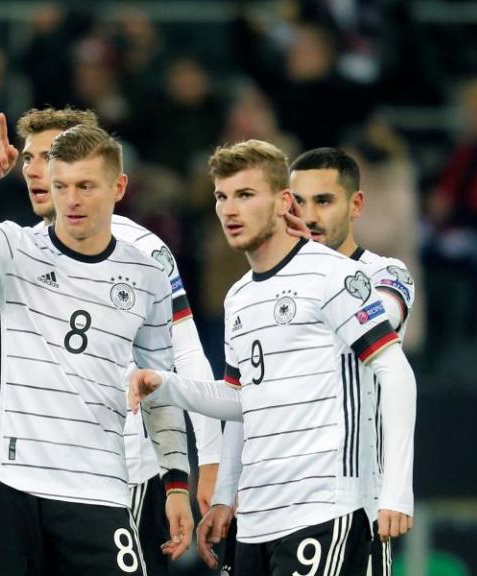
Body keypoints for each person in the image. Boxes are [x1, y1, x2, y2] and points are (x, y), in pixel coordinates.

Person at [0, 107, 223, 574]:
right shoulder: (22, 250)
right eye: (30, 158)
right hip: (29, 476)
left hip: (122, 475)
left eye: (49, 157)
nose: (35, 171)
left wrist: (203, 460)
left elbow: (181, 354)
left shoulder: (142, 253)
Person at [127, 140, 417, 576]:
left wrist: (398, 491)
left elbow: (392, 358)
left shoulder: (356, 277)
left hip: (331, 501)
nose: (311, 214)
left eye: (244, 195)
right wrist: (167, 386)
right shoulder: (240, 296)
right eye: (222, 197)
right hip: (260, 513)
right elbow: (244, 399)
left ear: (355, 205)